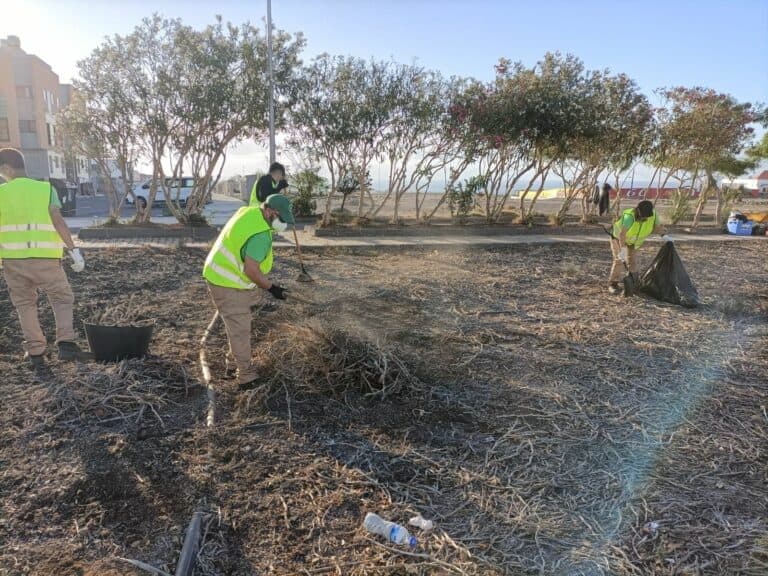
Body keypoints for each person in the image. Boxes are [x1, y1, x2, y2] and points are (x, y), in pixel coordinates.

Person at [0, 148, 91, 366]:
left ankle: (35, 351)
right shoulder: (45, 189)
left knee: (25, 304)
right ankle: (66, 344)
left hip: (13, 261)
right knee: (62, 298)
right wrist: (73, 250)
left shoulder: (1, 193)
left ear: (7, 168)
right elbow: (57, 220)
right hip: (45, 259)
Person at [203, 193, 294, 390]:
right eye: (281, 218)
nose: (283, 224)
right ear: (269, 212)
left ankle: (231, 365)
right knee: (240, 330)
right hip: (226, 282)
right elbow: (251, 271)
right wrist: (273, 288)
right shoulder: (260, 236)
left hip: (220, 273)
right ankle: (246, 376)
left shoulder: (249, 212)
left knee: (238, 326)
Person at [608, 199, 671, 295]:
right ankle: (613, 284)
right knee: (619, 260)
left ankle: (633, 282)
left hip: (634, 242)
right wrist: (622, 250)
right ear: (638, 211)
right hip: (618, 238)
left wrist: (664, 236)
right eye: (643, 217)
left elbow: (657, 227)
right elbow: (622, 234)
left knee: (633, 262)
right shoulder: (629, 217)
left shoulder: (653, 214)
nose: (644, 219)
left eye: (646, 217)